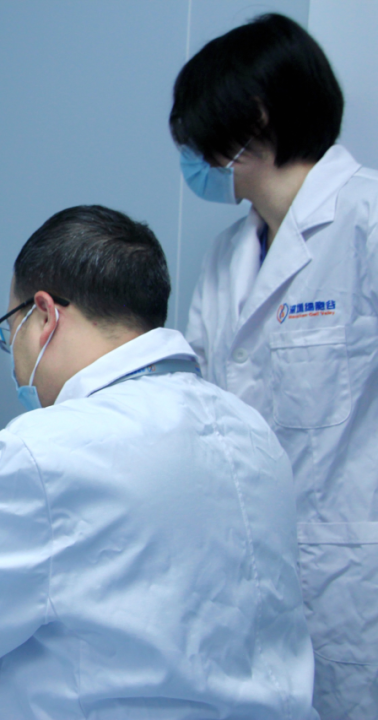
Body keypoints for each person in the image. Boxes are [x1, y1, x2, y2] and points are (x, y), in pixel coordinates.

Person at [0, 205, 317, 719]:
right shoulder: (246, 429)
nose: (14, 356)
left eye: (10, 329)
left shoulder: (45, 454)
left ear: (44, 315)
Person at [171, 14, 378, 718]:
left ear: (254, 119)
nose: (191, 157)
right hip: (248, 565)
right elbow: (189, 400)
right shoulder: (226, 257)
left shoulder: (366, 218)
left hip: (353, 571)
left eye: (196, 134)